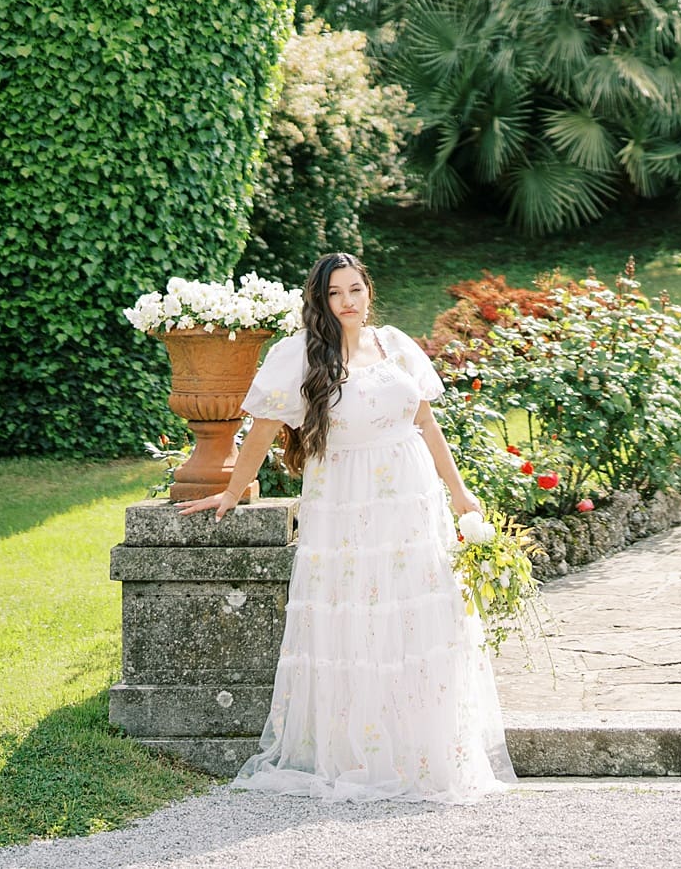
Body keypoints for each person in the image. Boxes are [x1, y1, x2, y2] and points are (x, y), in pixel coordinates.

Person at [177, 252, 516, 803]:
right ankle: (362, 750)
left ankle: (425, 750)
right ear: (320, 301)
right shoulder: (300, 357)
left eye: (354, 289)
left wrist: (459, 494)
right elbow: (262, 430)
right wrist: (235, 489)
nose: (347, 302)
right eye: (334, 293)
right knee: (359, 619)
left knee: (419, 619)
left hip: (412, 504)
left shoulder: (397, 346)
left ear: (368, 290)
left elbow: (426, 424)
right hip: (346, 506)